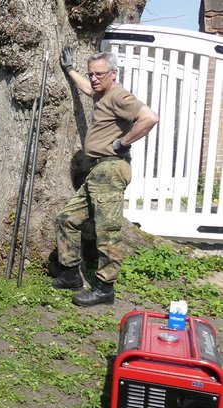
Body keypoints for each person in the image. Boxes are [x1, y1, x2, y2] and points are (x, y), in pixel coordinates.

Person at [54, 47, 159, 306]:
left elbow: (149, 118)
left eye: (99, 74)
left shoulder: (119, 96)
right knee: (67, 218)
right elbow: (87, 89)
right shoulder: (102, 94)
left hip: (111, 169)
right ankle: (70, 274)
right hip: (97, 172)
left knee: (107, 231)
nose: (93, 78)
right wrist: (70, 70)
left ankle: (104, 288)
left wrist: (123, 142)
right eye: (91, 74)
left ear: (114, 73)